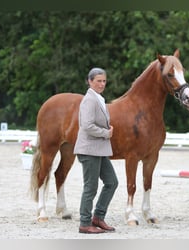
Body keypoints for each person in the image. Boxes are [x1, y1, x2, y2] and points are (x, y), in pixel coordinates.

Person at [74, 67, 118, 234]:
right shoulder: (89, 100)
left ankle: (98, 217)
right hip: (89, 149)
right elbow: (87, 126)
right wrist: (106, 133)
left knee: (112, 182)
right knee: (90, 187)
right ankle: (85, 223)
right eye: (98, 81)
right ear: (90, 81)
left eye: (104, 81)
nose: (101, 84)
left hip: (99, 149)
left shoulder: (99, 98)